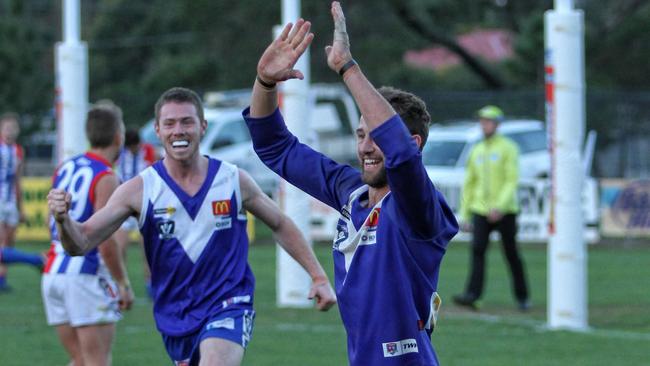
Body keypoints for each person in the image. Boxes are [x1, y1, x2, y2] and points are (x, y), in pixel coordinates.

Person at [47, 87, 336, 366]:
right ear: (157, 132)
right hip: (175, 317)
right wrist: (64, 220)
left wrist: (318, 276)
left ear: (203, 127)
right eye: (169, 123)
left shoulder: (233, 180)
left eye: (187, 122)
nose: (178, 130)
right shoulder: (139, 189)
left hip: (229, 304)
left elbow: (281, 223)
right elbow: (81, 242)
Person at [245, 2, 458, 364]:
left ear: (415, 142)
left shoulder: (420, 206)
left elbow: (402, 156)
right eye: (360, 135)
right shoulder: (350, 191)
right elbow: (274, 146)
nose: (365, 147)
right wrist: (265, 81)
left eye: (375, 136)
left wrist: (347, 68)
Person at [41, 105, 134, 366]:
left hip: (53, 273)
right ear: (119, 136)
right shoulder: (106, 176)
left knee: (80, 359)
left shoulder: (65, 166)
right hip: (84, 275)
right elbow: (105, 240)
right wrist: (123, 283)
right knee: (97, 361)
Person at [452, 105, 530, 311]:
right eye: (482, 121)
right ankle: (472, 296)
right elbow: (469, 183)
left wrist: (500, 206)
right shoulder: (477, 149)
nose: (484, 125)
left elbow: (511, 180)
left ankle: (522, 297)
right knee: (477, 252)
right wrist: (466, 213)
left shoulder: (508, 147)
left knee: (511, 253)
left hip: (505, 211)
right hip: (480, 210)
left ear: (497, 124)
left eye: (488, 121)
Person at [115, 127, 159, 297]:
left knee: (147, 249)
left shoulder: (148, 151)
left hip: (144, 204)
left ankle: (150, 285)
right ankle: (120, 284)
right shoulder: (120, 153)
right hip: (125, 204)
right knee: (120, 247)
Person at [0, 112, 26, 291]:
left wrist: (21, 207)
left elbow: (18, 180)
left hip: (10, 202)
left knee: (9, 242)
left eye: (13, 128)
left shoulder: (18, 151)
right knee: (1, 240)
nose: (10, 132)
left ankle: (3, 278)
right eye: (6, 128)